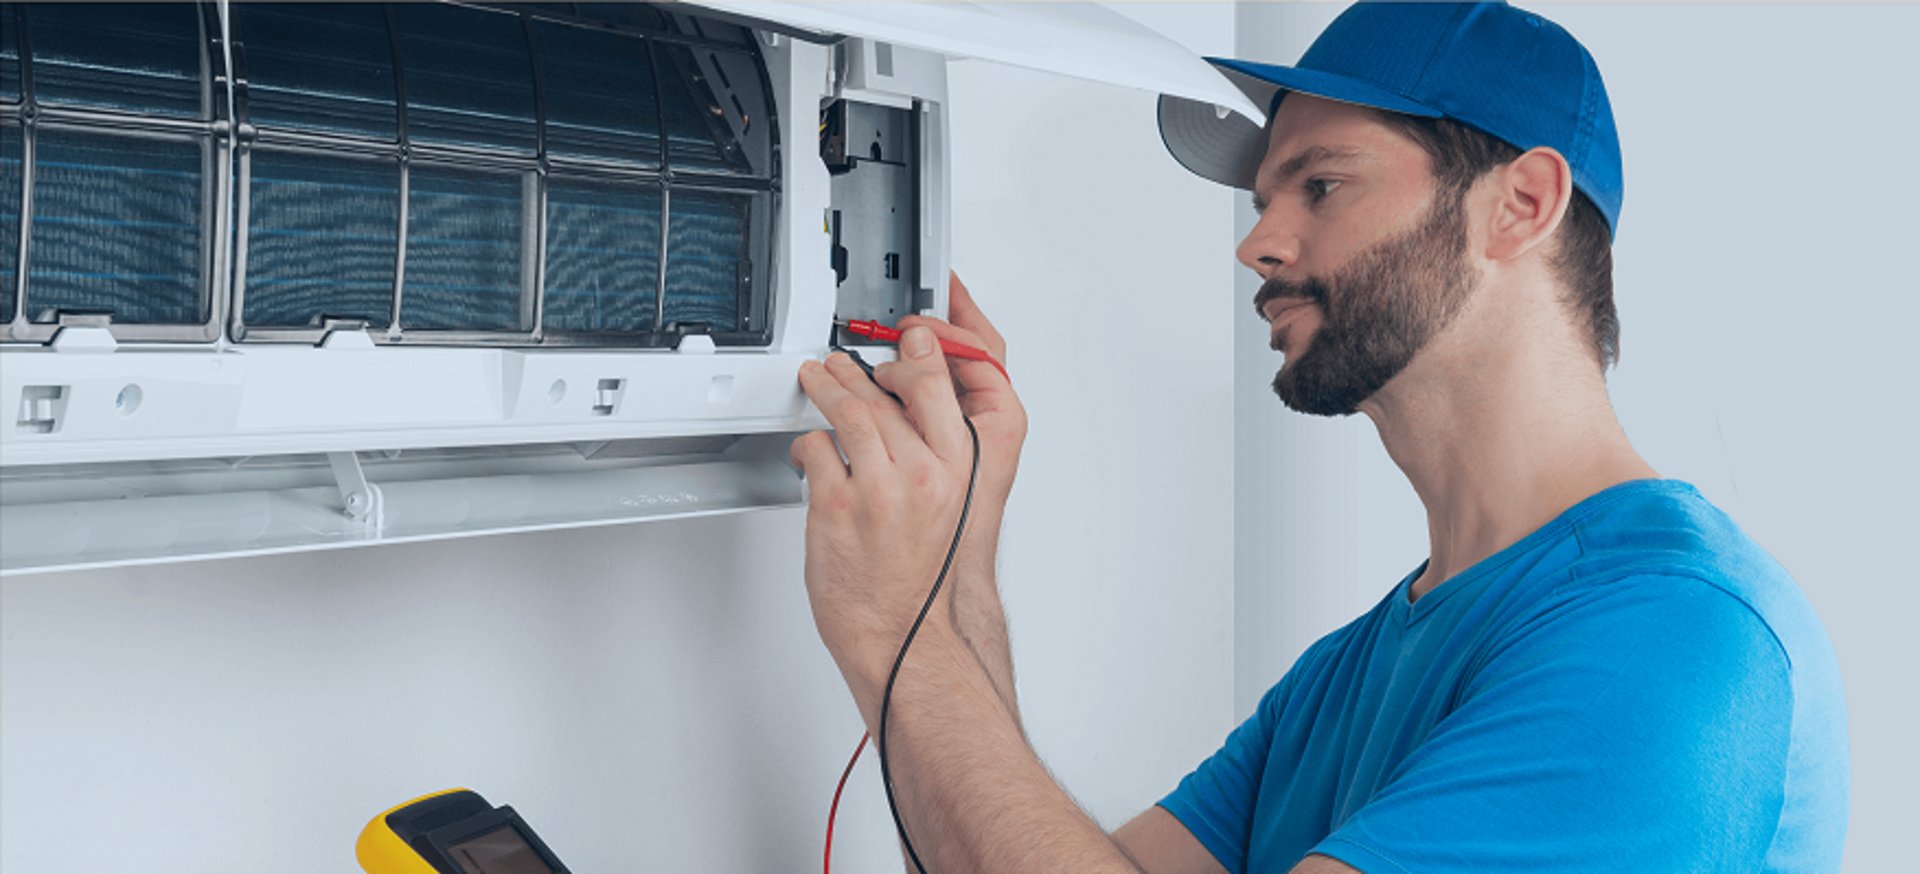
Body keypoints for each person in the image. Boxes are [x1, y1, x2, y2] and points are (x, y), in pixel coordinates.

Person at [789, 2, 1849, 871]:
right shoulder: (1343, 676)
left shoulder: (1675, 638)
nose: (1258, 242)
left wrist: (897, 635)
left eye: (1322, 185)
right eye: (1263, 197)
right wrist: (955, 562)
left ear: (1520, 205)